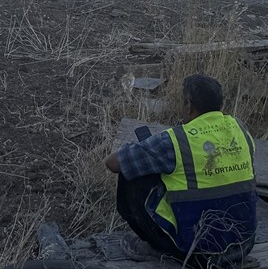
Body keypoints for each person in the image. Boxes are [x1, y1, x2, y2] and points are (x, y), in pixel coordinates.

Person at [105, 75, 257, 266]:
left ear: (188, 105)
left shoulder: (176, 140)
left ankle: (157, 247)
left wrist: (145, 151)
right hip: (243, 243)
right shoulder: (240, 129)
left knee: (132, 173)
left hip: (197, 249)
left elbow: (113, 163)